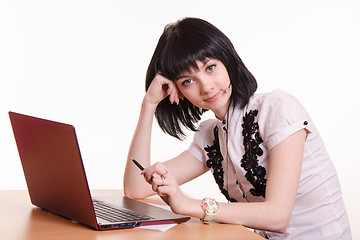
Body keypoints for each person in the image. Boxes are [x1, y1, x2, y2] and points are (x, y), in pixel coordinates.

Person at [123, 17, 351, 239]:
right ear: (179, 92)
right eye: (188, 81)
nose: (206, 86)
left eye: (210, 67)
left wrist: (188, 205)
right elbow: (136, 190)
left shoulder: (277, 109)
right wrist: (149, 105)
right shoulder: (211, 136)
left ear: (228, 60)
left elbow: (277, 217)